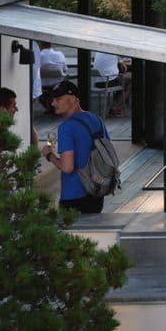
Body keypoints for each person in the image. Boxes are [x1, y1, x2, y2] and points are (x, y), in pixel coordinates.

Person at [42, 80, 109, 214]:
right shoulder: (96, 120)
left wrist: (49, 155)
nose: (53, 103)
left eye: (58, 99)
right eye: (53, 99)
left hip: (74, 196)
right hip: (96, 191)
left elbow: (67, 168)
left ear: (73, 99)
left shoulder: (66, 128)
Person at [91, 50, 131, 116]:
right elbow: (124, 65)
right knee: (130, 82)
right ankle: (115, 107)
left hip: (97, 82)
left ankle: (117, 105)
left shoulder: (99, 50)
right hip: (107, 81)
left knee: (122, 80)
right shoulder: (113, 49)